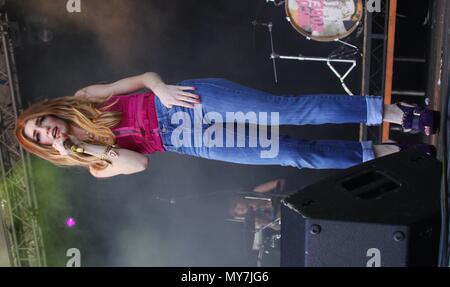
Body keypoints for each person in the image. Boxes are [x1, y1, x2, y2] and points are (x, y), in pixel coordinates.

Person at [14, 72, 439, 178]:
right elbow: (138, 165)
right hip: (188, 141)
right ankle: (390, 154)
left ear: (49, 113)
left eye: (40, 123)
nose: (45, 131)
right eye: (38, 137)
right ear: (45, 147)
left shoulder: (87, 97)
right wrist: (90, 151)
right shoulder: (94, 166)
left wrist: (160, 88)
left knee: (288, 111)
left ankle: (399, 115)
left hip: (185, 101)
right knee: (292, 154)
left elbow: (143, 78)